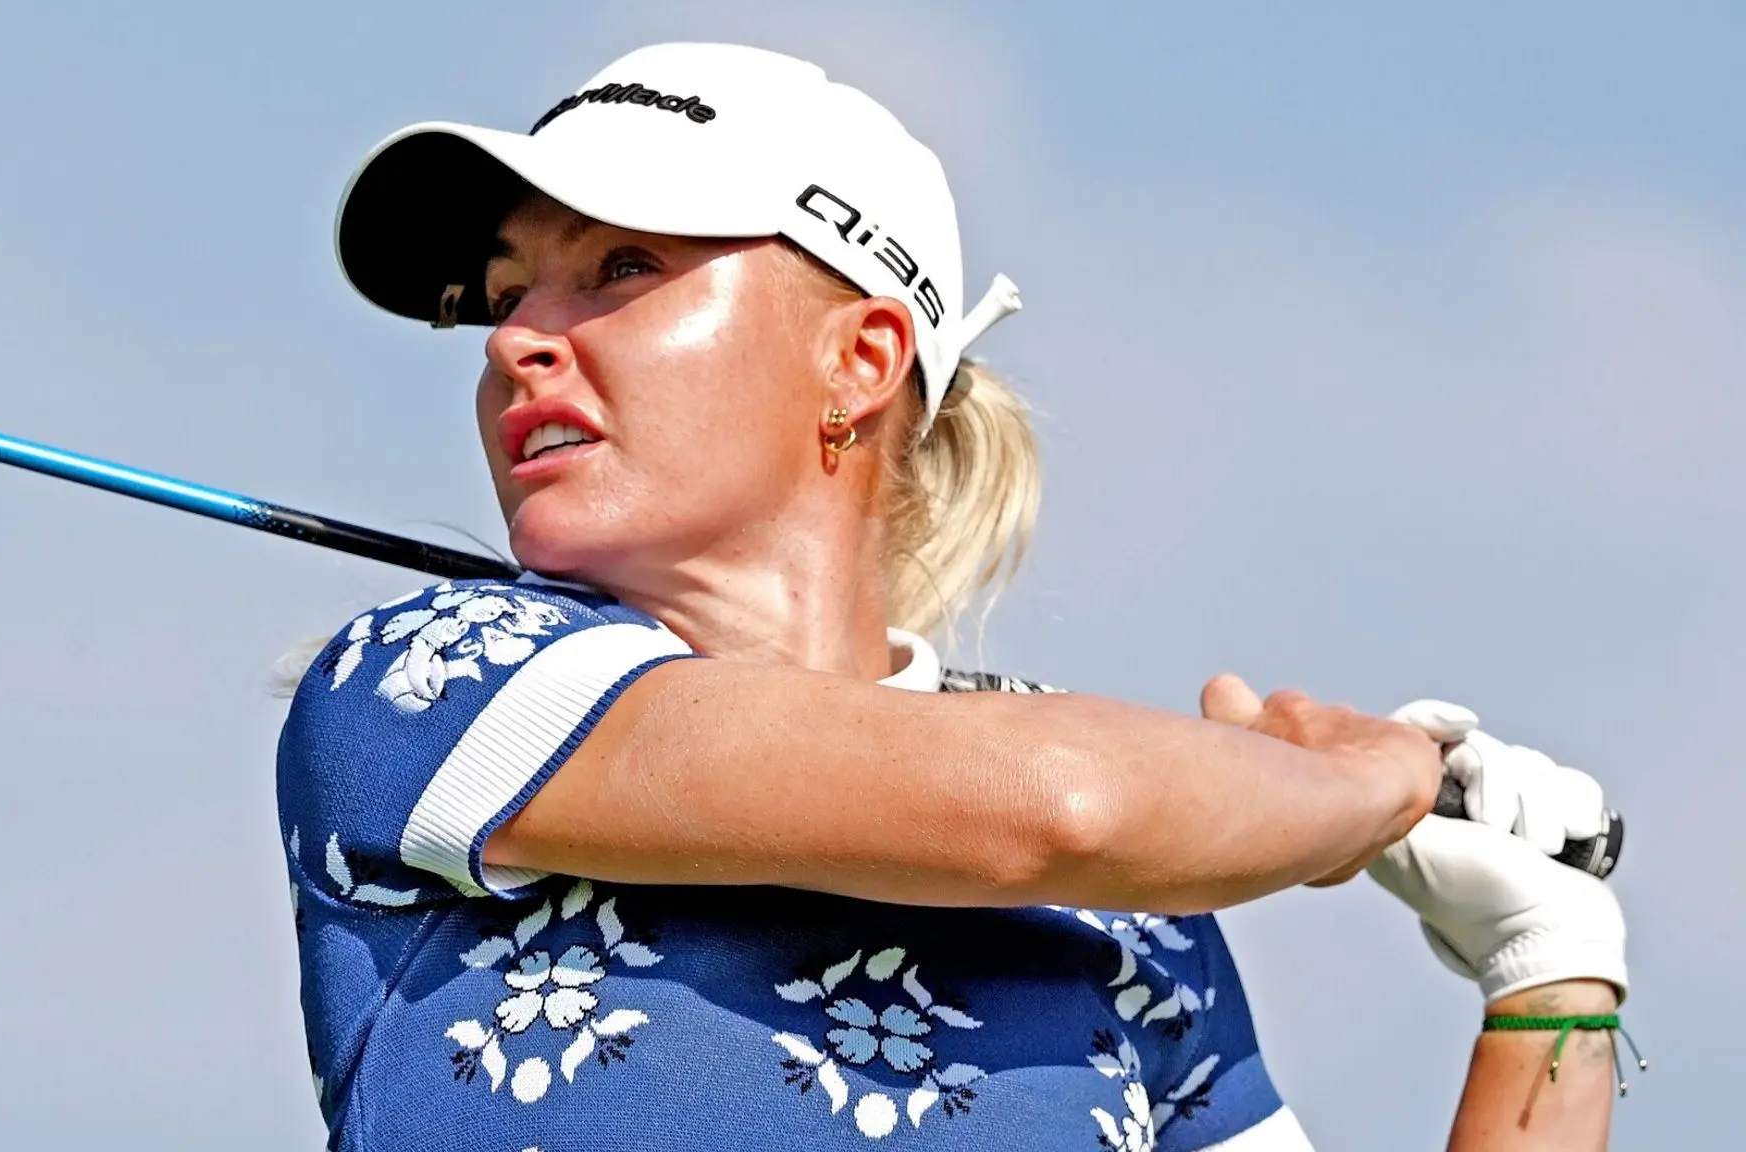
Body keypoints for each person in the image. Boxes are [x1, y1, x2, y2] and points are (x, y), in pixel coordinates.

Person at [278, 43, 1630, 1150]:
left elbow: (1067, 814)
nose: (518, 340)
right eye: (508, 294)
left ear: (861, 361)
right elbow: (1056, 808)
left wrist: (1548, 976)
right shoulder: (433, 683)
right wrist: (1364, 785)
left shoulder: (1129, 902)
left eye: (620, 268)